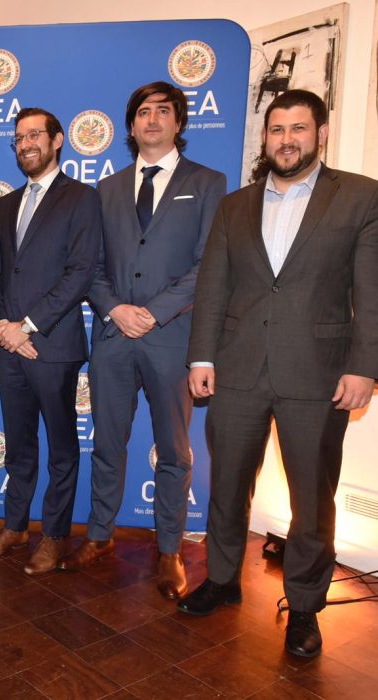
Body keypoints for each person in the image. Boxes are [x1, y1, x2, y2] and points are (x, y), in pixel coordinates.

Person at [179, 90, 378, 658]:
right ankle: (221, 579)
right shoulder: (235, 205)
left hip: (318, 373)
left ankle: (307, 607)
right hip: (237, 368)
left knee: (312, 497)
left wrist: (365, 366)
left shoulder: (361, 197)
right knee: (226, 485)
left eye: (298, 128)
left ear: (320, 133)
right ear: (264, 137)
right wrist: (202, 357)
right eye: (276, 129)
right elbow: (213, 286)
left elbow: (371, 290)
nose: (286, 139)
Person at [67, 82, 227, 599]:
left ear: (179, 122)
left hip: (171, 339)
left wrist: (151, 314)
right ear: (131, 126)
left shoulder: (208, 183)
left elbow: (208, 266)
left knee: (175, 452)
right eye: (142, 112)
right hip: (113, 336)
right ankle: (98, 535)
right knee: (107, 444)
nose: (152, 120)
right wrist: (116, 308)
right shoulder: (106, 188)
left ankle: (169, 549)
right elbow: (88, 268)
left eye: (163, 111)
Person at [0, 107, 102, 575]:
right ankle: (13, 527)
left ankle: (53, 535)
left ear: (57, 139)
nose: (26, 144)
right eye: (18, 138)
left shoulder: (82, 199)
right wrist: (3, 327)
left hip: (51, 345)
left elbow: (80, 273)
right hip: (10, 347)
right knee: (19, 445)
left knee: (63, 447)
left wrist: (27, 326)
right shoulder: (5, 204)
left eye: (34, 135)